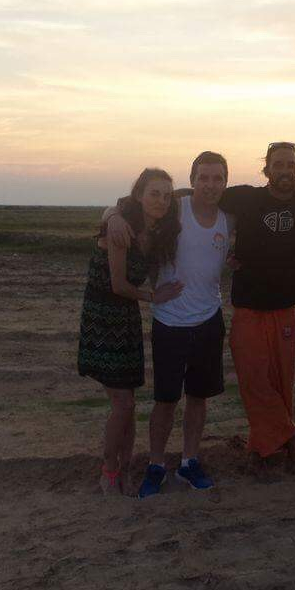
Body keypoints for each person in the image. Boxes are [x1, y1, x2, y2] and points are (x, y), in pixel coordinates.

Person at [112, 152, 233, 497]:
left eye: (218, 178)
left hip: (209, 321)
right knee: (166, 400)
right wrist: (113, 216)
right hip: (170, 322)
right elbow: (128, 205)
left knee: (198, 398)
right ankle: (155, 464)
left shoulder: (229, 219)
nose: (210, 185)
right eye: (204, 178)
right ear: (192, 180)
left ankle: (189, 462)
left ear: (225, 182)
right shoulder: (175, 208)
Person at [78, 168, 184, 497]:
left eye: (167, 195)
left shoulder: (157, 232)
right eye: (154, 193)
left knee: (130, 404)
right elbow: (119, 285)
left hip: (126, 320)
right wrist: (156, 297)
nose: (162, 201)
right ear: (139, 194)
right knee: (122, 405)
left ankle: (124, 471)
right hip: (103, 319)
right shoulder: (121, 226)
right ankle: (109, 472)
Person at [217, 143, 295, 478]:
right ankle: (290, 432)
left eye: (291, 165)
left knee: (281, 381)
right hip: (248, 305)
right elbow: (198, 194)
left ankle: (267, 448)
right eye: (278, 164)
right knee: (252, 378)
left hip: (285, 307)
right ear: (266, 170)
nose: (285, 170)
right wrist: (120, 209)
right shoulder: (245, 198)